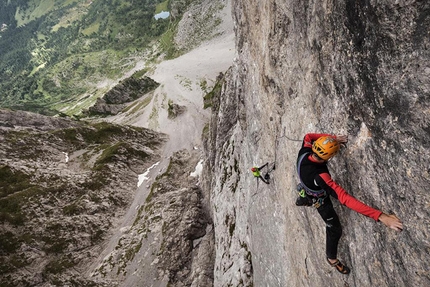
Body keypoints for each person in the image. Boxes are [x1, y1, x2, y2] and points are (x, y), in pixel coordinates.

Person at [296, 133, 403, 274]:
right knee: (334, 228)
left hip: (309, 184)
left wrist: (333, 138)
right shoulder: (321, 176)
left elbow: (308, 137)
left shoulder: (305, 152)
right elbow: (345, 199)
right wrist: (381, 216)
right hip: (319, 198)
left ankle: (303, 198)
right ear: (328, 157)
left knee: (308, 191)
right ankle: (332, 259)